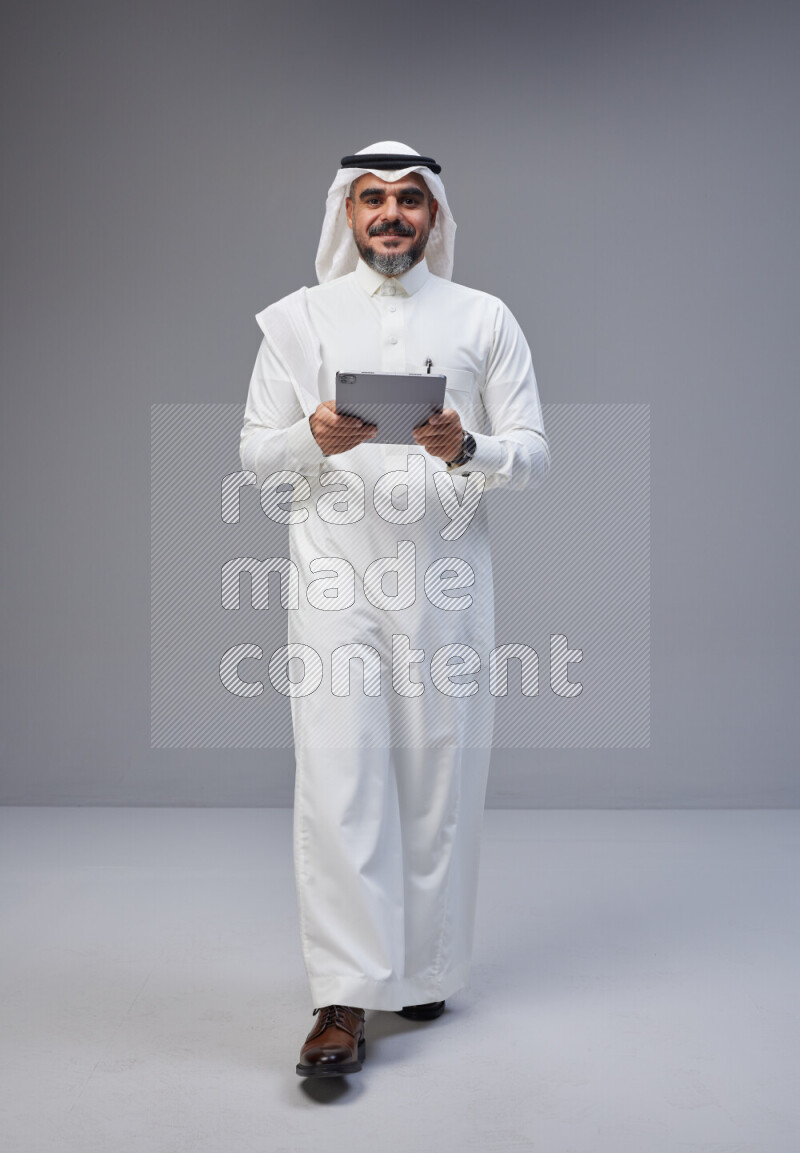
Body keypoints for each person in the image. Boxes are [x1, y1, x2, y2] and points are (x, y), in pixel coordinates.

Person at [239, 141, 551, 1078]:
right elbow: (255, 455)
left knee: (437, 777)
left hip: (445, 590)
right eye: (371, 198)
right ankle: (340, 997)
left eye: (409, 200)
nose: (390, 215)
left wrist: (468, 447)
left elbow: (534, 452)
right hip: (334, 586)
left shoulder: (483, 318)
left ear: (435, 216)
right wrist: (310, 436)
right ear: (345, 212)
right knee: (340, 780)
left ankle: (424, 968)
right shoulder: (297, 322)